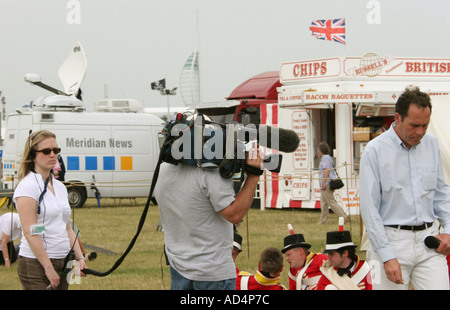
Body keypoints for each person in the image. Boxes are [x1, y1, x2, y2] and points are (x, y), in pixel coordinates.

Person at [360, 87, 450, 290]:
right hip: (391, 241)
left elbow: (441, 194)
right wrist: (386, 255)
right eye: (414, 125)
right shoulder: (374, 152)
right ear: (398, 118)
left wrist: (449, 230)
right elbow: (369, 209)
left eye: (425, 126)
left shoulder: (432, 144)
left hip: (429, 243)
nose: (420, 132)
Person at [154, 142, 263, 290]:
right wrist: (253, 176)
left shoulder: (163, 169)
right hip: (212, 271)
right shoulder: (211, 171)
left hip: (178, 266)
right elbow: (234, 214)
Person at [13, 130, 87, 290]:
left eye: (56, 150)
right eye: (47, 151)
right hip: (35, 263)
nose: (53, 154)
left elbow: (67, 227)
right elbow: (30, 231)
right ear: (33, 155)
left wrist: (80, 258)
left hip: (62, 260)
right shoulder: (27, 186)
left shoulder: (60, 187)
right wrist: (48, 267)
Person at [317, 142, 349, 224]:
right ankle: (323, 220)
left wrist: (323, 182)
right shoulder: (328, 157)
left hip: (327, 183)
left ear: (321, 150)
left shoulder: (325, 158)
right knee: (323, 203)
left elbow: (326, 170)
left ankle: (343, 217)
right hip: (326, 183)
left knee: (331, 202)